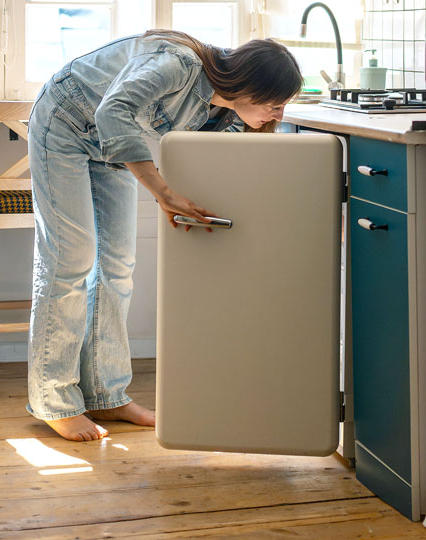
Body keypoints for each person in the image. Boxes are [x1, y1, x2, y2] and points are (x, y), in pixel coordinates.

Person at [25, 29, 303, 441]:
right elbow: (113, 111)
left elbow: (215, 165)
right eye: (274, 103)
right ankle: (54, 400)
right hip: (65, 124)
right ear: (249, 86)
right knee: (71, 261)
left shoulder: (223, 114)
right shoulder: (179, 64)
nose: (278, 116)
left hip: (110, 151)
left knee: (118, 266)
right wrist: (163, 194)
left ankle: (106, 394)